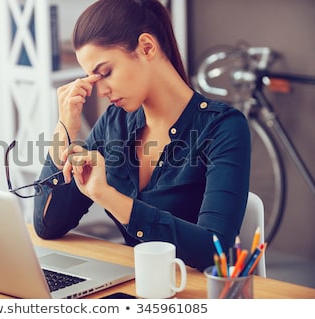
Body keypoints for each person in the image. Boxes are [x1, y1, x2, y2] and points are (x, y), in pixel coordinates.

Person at [33, 0, 250, 271]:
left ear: (147, 47)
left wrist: (107, 196)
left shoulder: (222, 127)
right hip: (136, 285)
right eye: (94, 78)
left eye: (106, 72)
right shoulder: (114, 122)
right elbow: (48, 226)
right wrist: (65, 127)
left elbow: (214, 249)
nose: (101, 91)